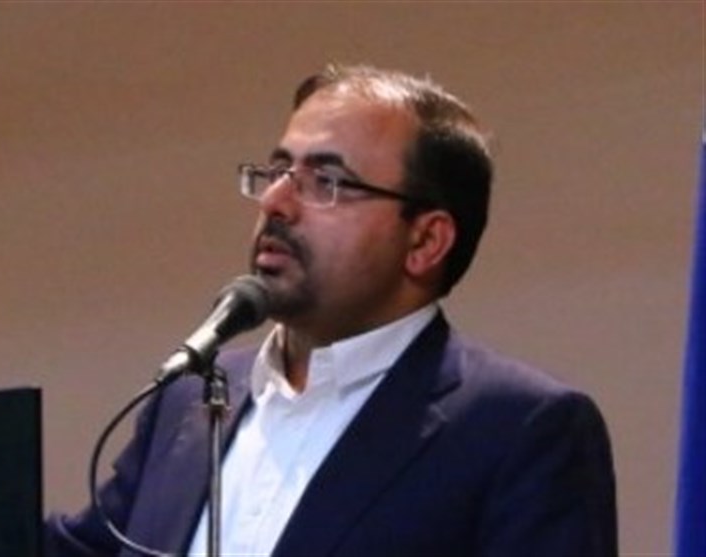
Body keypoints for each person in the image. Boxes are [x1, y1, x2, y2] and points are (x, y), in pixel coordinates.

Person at [45, 63, 618, 556]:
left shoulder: (519, 429)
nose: (276, 201)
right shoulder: (189, 400)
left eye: (326, 181)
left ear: (425, 241)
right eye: (277, 172)